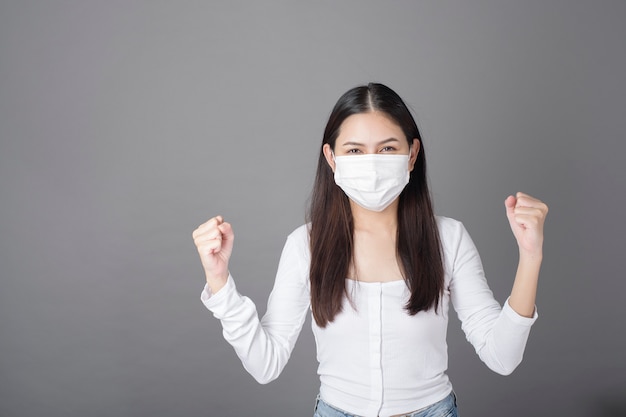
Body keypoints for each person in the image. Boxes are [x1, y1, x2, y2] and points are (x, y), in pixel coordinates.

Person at [192, 83, 548, 417]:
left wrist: (530, 257)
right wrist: (219, 281)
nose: (372, 163)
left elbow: (503, 356)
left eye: (388, 148)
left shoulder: (448, 239)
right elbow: (265, 363)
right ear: (332, 158)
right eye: (355, 151)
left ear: (412, 154)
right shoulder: (305, 245)